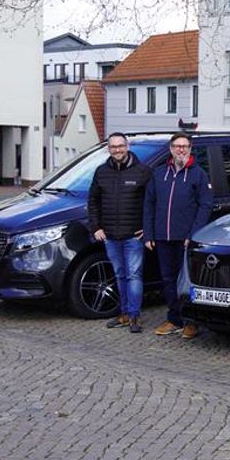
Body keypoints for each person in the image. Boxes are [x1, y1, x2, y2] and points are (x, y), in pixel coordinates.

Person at [144, 133, 213, 340]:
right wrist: (148, 234)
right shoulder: (159, 173)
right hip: (162, 237)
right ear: (171, 149)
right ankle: (174, 319)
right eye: (177, 146)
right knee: (168, 280)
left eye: (184, 146)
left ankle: (191, 322)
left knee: (187, 282)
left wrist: (193, 234)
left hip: (185, 239)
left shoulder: (198, 174)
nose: (181, 150)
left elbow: (205, 205)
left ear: (190, 149)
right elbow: (149, 204)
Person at [88, 133, 153, 333]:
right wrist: (96, 227)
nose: (117, 150)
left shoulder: (143, 171)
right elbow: (93, 202)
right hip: (110, 236)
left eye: (120, 146)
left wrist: (147, 228)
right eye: (113, 147)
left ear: (127, 146)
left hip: (134, 235)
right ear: (109, 149)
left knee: (134, 276)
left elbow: (152, 203)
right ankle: (124, 314)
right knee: (119, 275)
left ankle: (134, 316)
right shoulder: (101, 172)